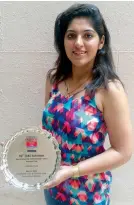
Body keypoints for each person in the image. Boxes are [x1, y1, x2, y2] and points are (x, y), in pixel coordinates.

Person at [42, 3, 133, 205]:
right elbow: (49, 133)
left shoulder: (110, 90)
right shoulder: (54, 79)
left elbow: (123, 152)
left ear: (101, 42)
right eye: (71, 35)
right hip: (53, 186)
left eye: (88, 35)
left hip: (88, 194)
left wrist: (72, 171)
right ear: (63, 41)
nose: (78, 43)